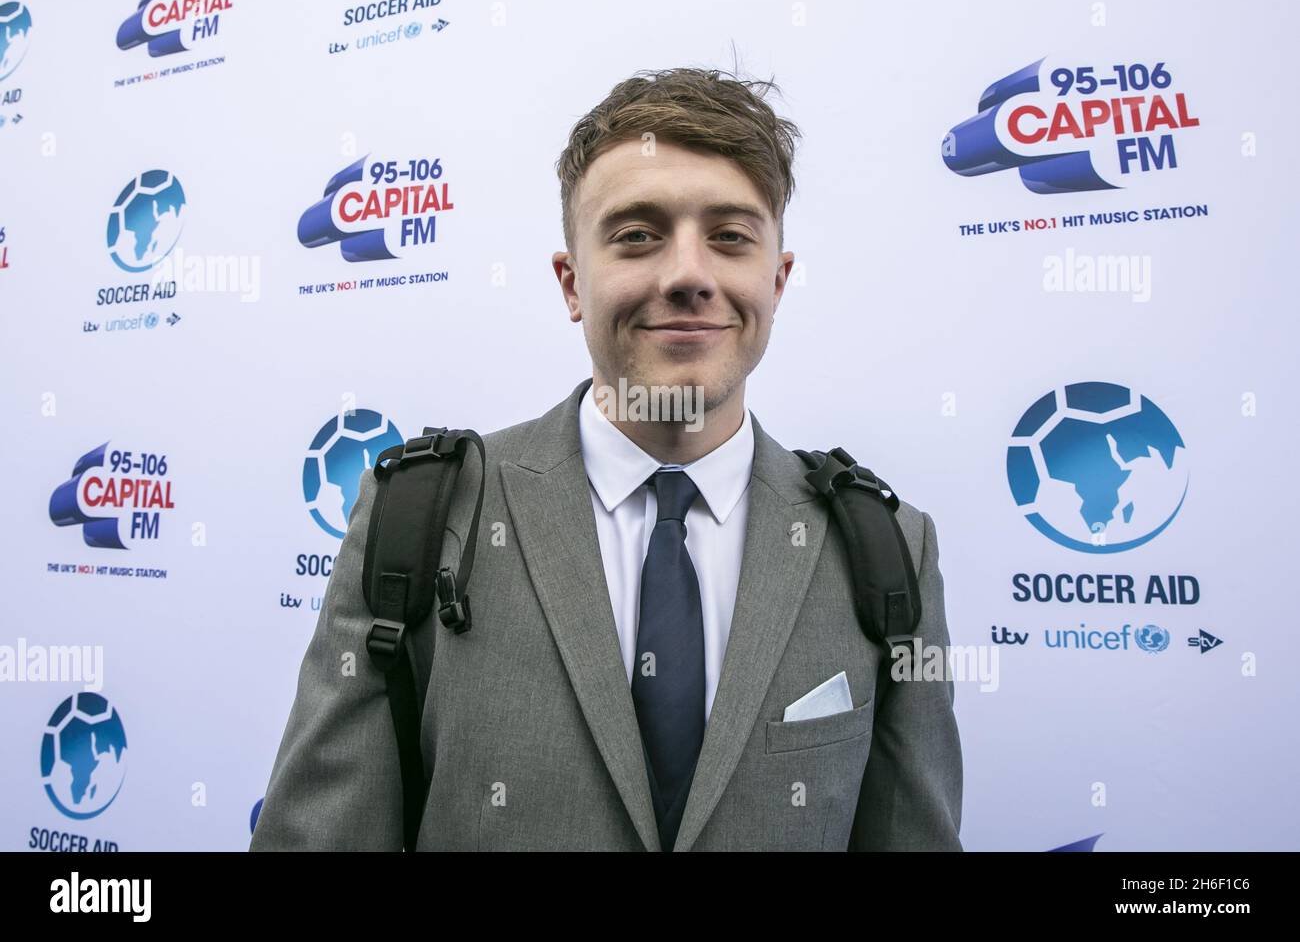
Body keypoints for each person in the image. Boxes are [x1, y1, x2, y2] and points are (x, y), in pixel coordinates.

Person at [251, 67, 963, 851]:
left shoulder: (888, 547)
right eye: (637, 235)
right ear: (571, 283)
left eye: (730, 236)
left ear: (777, 279)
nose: (689, 275)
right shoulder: (423, 515)